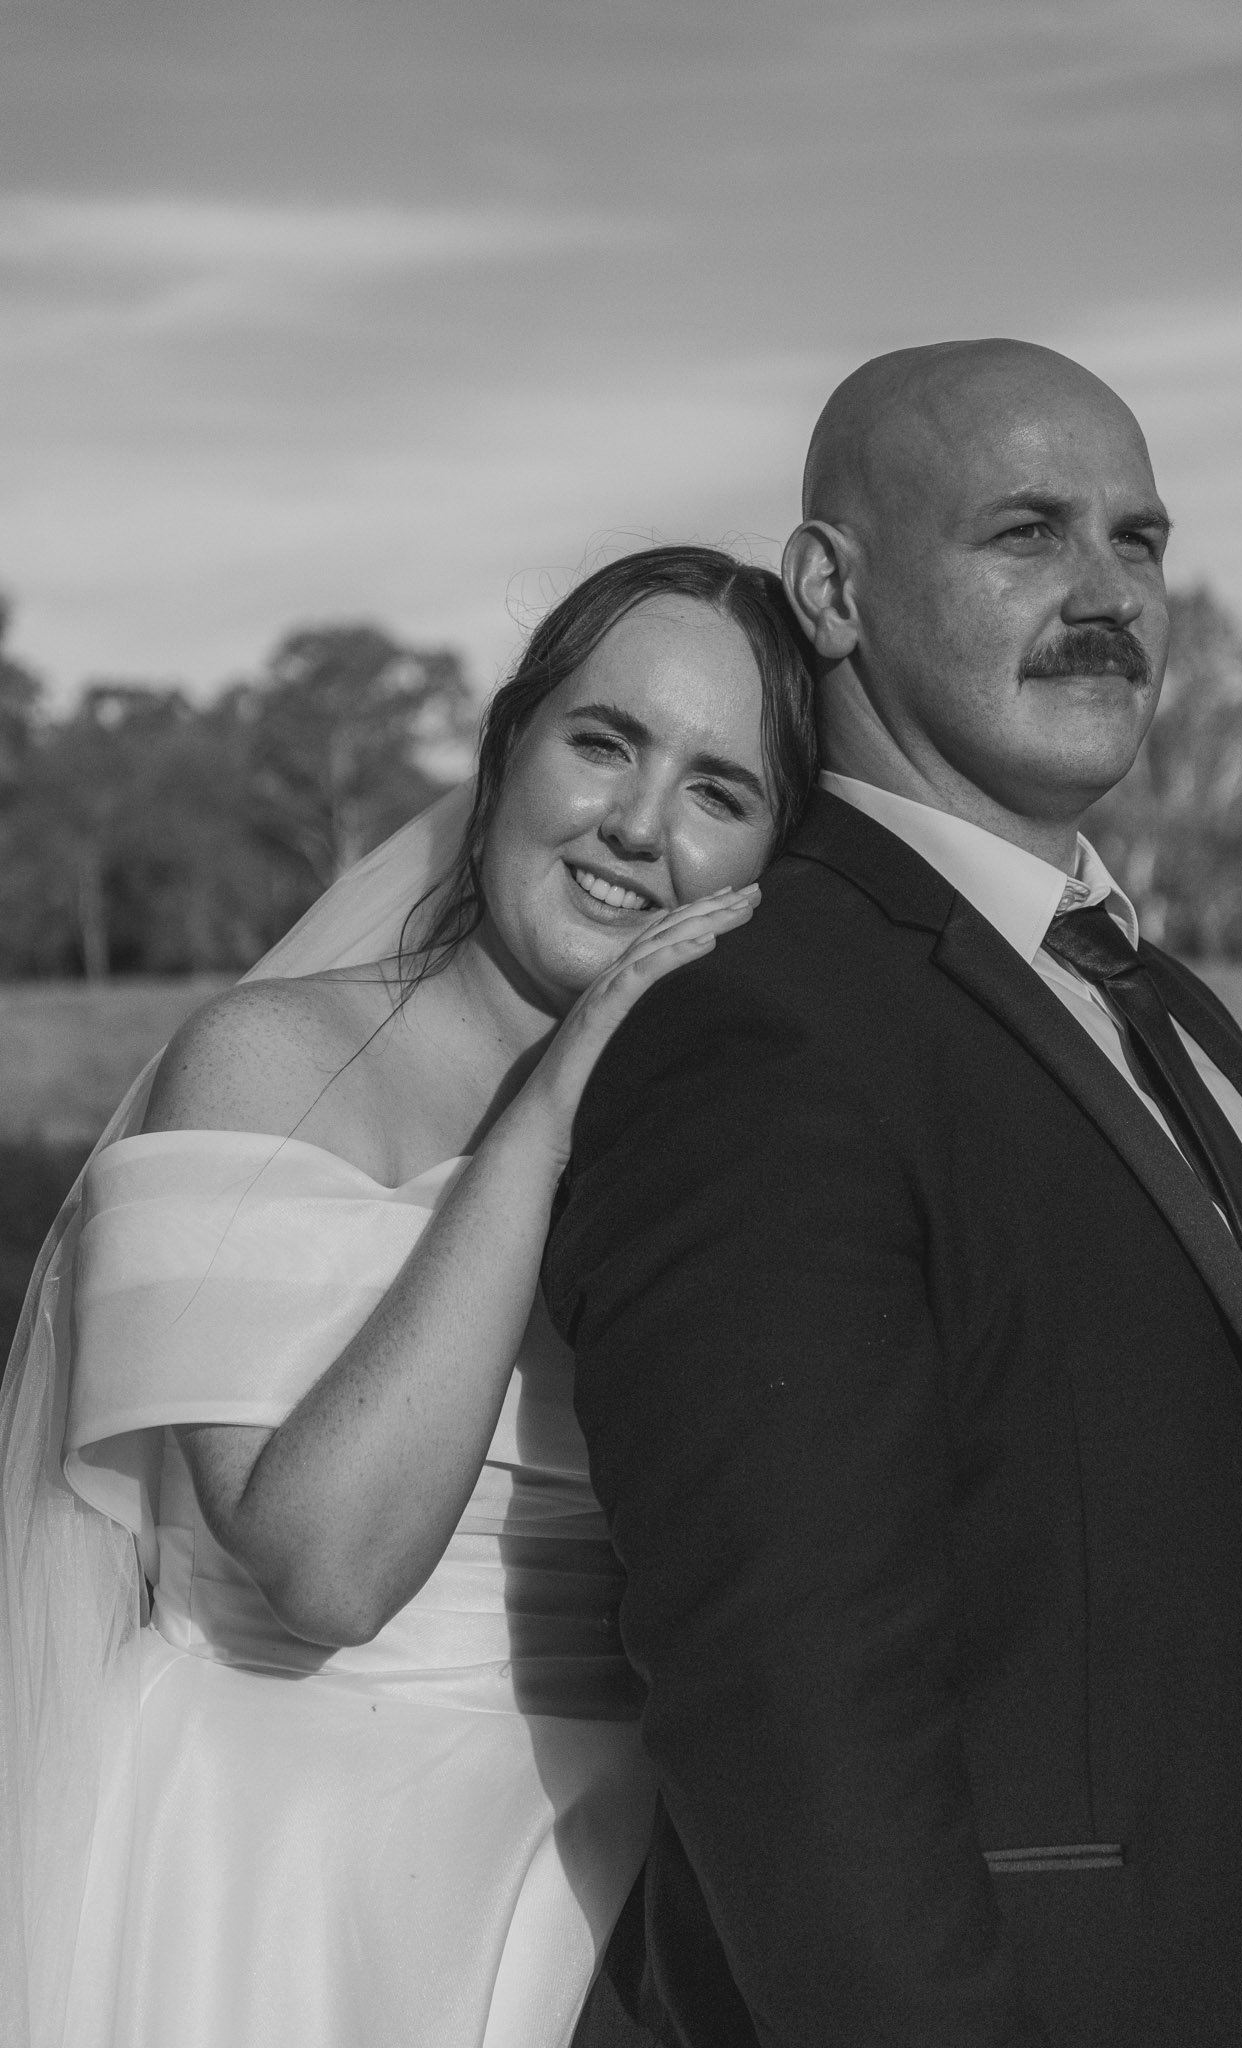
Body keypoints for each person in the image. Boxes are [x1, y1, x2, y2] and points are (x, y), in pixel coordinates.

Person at [547, 344, 1242, 2048]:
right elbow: (788, 1702)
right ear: (831, 591)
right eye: (1024, 535)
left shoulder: (1151, 994)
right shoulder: (762, 1027)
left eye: (1137, 542)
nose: (1107, 596)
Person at [0, 544, 817, 2048]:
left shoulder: (745, 1145)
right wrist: (543, 1112)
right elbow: (326, 1573)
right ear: (508, 749)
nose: (638, 827)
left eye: (720, 790)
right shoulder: (268, 1061)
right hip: (278, 1860)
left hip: (619, 1893)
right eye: (604, 741)